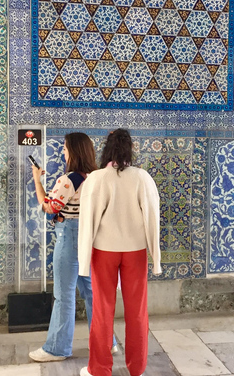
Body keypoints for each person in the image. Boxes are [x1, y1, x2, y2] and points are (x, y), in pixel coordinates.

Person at [78, 129, 161, 376]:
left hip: (103, 251)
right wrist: (155, 258)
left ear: (107, 148)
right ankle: (138, 368)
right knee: (137, 311)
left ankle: (100, 369)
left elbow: (88, 221)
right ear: (130, 149)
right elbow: (153, 217)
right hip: (135, 251)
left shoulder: (96, 178)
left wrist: (83, 260)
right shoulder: (141, 177)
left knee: (102, 311)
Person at [29, 133, 117, 362]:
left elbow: (49, 207)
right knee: (92, 293)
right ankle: (107, 343)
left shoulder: (68, 180)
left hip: (69, 237)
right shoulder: (96, 178)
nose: (64, 153)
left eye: (66, 149)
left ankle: (57, 348)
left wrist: (37, 180)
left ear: (74, 152)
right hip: (89, 239)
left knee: (64, 295)